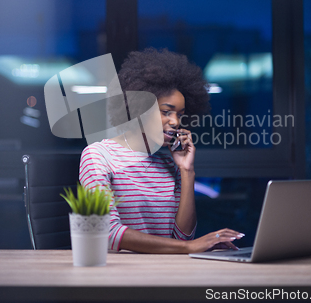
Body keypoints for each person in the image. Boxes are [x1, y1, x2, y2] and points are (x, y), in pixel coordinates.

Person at [79, 48, 243, 253]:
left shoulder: (169, 164)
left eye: (180, 114)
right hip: (120, 276)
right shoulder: (98, 156)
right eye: (166, 112)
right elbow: (107, 232)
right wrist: (188, 246)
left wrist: (187, 171)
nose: (175, 122)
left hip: (168, 271)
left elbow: (182, 236)